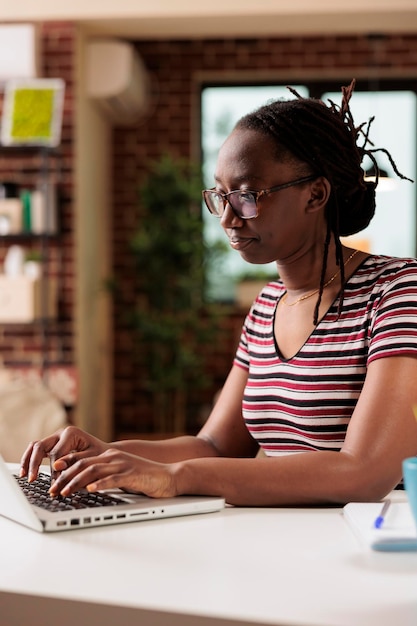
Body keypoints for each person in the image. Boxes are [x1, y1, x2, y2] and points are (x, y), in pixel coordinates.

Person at [20, 80, 417, 506]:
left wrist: (175, 477)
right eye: (220, 196)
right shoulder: (268, 305)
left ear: (315, 194)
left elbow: (364, 472)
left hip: (370, 551)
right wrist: (108, 452)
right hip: (284, 542)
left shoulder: (396, 293)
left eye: (247, 196)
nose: (227, 218)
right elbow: (215, 445)